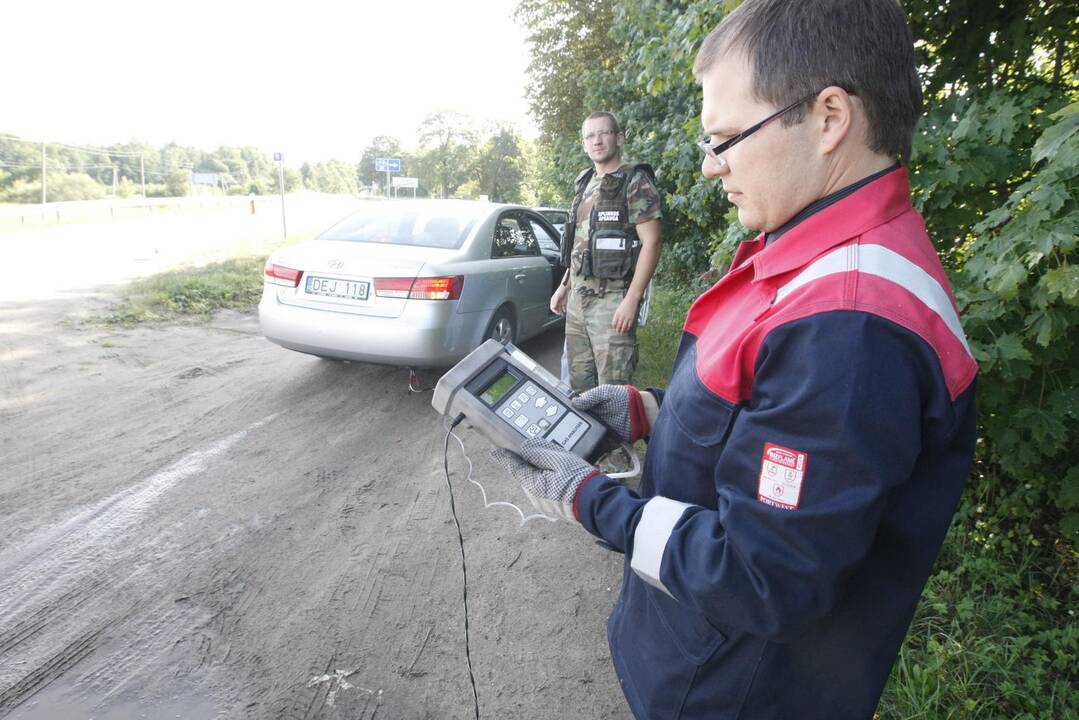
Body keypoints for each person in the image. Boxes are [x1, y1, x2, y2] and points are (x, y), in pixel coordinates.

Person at [494, 1, 978, 718]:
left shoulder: (848, 327)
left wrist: (590, 501)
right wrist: (648, 407)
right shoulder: (816, 253)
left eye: (725, 137)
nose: (709, 165)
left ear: (828, 118)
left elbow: (765, 579)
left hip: (732, 691)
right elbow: (766, 410)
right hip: (698, 657)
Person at [550, 111, 662, 394]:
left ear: (619, 137)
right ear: (583, 144)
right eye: (590, 135)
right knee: (578, 388)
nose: (597, 140)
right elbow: (580, 243)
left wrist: (632, 300)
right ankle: (587, 439)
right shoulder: (584, 183)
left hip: (613, 302)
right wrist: (565, 286)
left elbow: (652, 242)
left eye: (604, 133)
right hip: (577, 302)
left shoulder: (634, 181)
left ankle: (617, 440)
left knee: (613, 393)